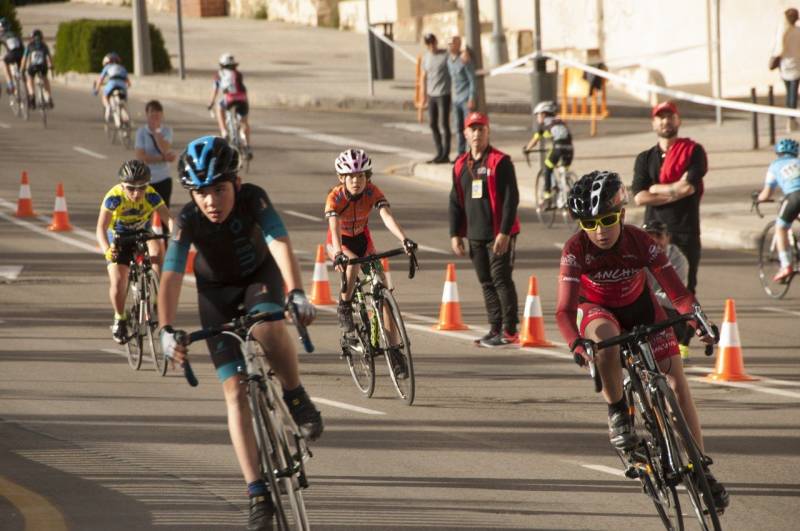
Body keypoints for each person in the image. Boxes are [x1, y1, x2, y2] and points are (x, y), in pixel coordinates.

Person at [157, 136, 323, 531]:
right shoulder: (188, 220)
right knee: (234, 391)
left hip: (258, 280)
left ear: (236, 181)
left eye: (219, 189)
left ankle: (295, 394)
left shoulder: (254, 199)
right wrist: (165, 329)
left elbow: (279, 241)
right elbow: (171, 274)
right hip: (215, 295)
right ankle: (256, 492)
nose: (211, 201)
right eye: (201, 193)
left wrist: (297, 291)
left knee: (267, 325)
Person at [555, 170, 729, 512]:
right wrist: (577, 343)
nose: (600, 231)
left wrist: (698, 321)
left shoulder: (640, 241)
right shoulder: (575, 249)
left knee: (677, 385)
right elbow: (563, 310)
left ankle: (699, 471)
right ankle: (618, 411)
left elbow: (678, 294)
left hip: (643, 309)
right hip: (599, 310)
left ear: (620, 214)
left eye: (607, 219)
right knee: (606, 340)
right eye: (590, 223)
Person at [325, 148, 417, 377]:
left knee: (383, 292)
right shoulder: (335, 197)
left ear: (368, 177)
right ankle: (344, 306)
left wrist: (404, 239)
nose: (357, 181)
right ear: (342, 178)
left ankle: (394, 352)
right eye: (351, 176)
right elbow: (334, 229)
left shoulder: (372, 192)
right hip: (340, 243)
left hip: (363, 240)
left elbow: (386, 216)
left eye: (361, 176)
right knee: (353, 262)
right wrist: (338, 254)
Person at [449, 112, 520, 347]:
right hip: (475, 234)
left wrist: (505, 232)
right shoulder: (460, 165)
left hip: (499, 233)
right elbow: (455, 201)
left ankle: (510, 330)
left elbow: (512, 199)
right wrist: (455, 234)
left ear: (488, 132)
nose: (477, 133)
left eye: (482, 129)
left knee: (501, 278)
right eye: (473, 129)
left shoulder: (500, 161)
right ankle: (495, 328)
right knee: (486, 281)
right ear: (466, 134)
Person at [632, 100, 707, 296]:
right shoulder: (645, 158)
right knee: (648, 289)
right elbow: (640, 197)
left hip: (685, 232)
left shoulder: (693, 151)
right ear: (653, 123)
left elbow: (689, 187)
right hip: (652, 233)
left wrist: (655, 189)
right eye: (661, 117)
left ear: (678, 120)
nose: (666, 121)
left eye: (670, 117)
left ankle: (686, 328)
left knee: (686, 292)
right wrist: (675, 189)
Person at [96, 160, 173, 344]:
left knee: (158, 247)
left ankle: (156, 299)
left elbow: (168, 219)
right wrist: (107, 251)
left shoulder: (152, 196)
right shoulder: (113, 197)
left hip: (141, 232)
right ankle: (120, 318)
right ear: (122, 186)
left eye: (142, 188)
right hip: (118, 237)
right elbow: (100, 228)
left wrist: (177, 235)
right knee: (119, 280)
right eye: (131, 189)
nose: (137, 193)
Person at [642, 220, 691, 361]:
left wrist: (651, 297)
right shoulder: (637, 256)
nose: (655, 240)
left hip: (665, 312)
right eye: (650, 236)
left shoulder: (679, 260)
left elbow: (676, 299)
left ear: (668, 237)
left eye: (659, 235)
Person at [756, 137, 800, 282]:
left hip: (794, 196)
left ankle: (786, 265)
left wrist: (758, 200)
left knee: (781, 228)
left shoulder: (775, 166)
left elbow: (767, 193)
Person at [524, 100, 573, 202]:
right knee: (563, 170)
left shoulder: (543, 125)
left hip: (558, 148)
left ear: (544, 114)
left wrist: (527, 149)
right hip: (570, 148)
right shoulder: (560, 121)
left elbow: (535, 140)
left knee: (547, 166)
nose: (537, 118)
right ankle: (566, 186)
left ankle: (547, 193)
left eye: (538, 115)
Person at [208, 53, 252, 159]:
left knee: (219, 107)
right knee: (244, 122)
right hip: (242, 99)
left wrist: (210, 103)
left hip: (229, 99)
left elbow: (215, 91)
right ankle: (247, 145)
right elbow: (243, 90)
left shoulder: (219, 74)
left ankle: (224, 131)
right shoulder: (238, 74)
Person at [135, 100, 177, 206]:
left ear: (162, 115)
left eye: (158, 112)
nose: (155, 115)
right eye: (152, 112)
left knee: (163, 213)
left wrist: (157, 132)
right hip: (146, 180)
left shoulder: (167, 131)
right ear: (147, 114)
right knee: (146, 214)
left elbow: (164, 148)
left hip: (164, 178)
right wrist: (163, 158)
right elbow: (141, 158)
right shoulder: (141, 132)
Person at [421, 33, 452, 163]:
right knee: (433, 124)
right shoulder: (426, 57)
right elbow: (424, 76)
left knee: (444, 124)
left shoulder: (445, 56)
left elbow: (455, 62)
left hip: (443, 94)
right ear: (426, 45)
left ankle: (446, 154)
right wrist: (423, 95)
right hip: (431, 94)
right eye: (429, 43)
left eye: (433, 42)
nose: (432, 45)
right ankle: (439, 151)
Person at [446, 35, 476, 156]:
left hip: (465, 99)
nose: (450, 45)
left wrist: (471, 98)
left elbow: (472, 80)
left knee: (468, 128)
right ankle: (460, 154)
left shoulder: (464, 60)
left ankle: (471, 154)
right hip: (455, 99)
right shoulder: (449, 60)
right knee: (458, 129)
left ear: (458, 45)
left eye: (453, 43)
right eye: (449, 43)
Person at [772, 8, 800, 131]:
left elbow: (778, 51)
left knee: (789, 93)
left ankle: (790, 120)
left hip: (784, 68)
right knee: (793, 94)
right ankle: (791, 120)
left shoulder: (782, 32)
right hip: (796, 67)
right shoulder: (798, 32)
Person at [92, 52, 130, 125]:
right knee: (123, 103)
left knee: (104, 96)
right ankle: (125, 118)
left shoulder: (107, 67)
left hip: (112, 83)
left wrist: (96, 90)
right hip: (122, 86)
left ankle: (108, 107)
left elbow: (100, 80)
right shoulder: (122, 68)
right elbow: (128, 83)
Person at [22, 29, 53, 109]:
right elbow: (49, 57)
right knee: (45, 79)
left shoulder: (29, 45)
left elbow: (24, 59)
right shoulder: (44, 45)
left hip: (33, 67)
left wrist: (22, 68)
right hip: (43, 66)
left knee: (30, 78)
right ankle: (49, 97)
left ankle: (32, 95)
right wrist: (52, 66)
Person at [0, 17, 23, 96]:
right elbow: (22, 46)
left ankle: (10, 84)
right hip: (20, 55)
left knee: (3, 62)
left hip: (11, 55)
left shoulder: (1, 35)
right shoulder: (15, 34)